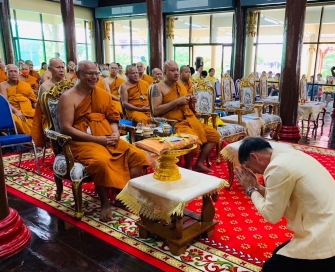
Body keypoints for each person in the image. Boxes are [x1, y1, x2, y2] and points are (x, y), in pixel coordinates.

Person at [234, 137, 335, 272]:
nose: (254, 172)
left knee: (271, 270)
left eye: (249, 167)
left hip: (328, 243)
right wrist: (257, 187)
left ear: (255, 157)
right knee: (278, 253)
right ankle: (329, 267)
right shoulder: (288, 154)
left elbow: (272, 216)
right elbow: (277, 196)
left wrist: (251, 190)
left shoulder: (277, 168)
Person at [57, 61, 150, 221]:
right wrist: (97, 139)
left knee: (138, 156)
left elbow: (113, 118)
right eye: (89, 73)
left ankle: (123, 194)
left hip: (107, 136)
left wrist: (114, 134)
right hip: (83, 141)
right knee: (102, 161)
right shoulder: (68, 97)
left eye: (96, 73)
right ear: (78, 74)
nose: (94, 77)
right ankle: (105, 202)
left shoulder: (103, 95)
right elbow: (66, 128)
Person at [151, 60, 220, 173]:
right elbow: (156, 111)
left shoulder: (181, 86)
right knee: (193, 141)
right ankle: (188, 167)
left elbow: (186, 106)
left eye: (177, 70)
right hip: (172, 123)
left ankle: (198, 163)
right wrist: (176, 102)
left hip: (189, 119)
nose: (176, 73)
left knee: (215, 135)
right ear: (164, 72)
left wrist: (191, 101)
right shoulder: (157, 88)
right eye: (172, 70)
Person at [31, 58, 66, 148]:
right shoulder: (45, 87)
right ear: (50, 69)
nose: (61, 70)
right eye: (58, 67)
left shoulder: (67, 84)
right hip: (51, 120)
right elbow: (45, 110)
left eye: (62, 67)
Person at [0, 64, 37, 134]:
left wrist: (39, 110)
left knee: (43, 117)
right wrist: (16, 112)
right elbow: (5, 102)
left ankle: (41, 140)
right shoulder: (2, 85)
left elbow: (34, 101)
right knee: (16, 119)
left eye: (15, 71)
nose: (13, 73)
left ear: (19, 73)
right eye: (10, 71)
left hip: (28, 110)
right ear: (6, 73)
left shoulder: (26, 85)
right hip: (12, 110)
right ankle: (28, 139)